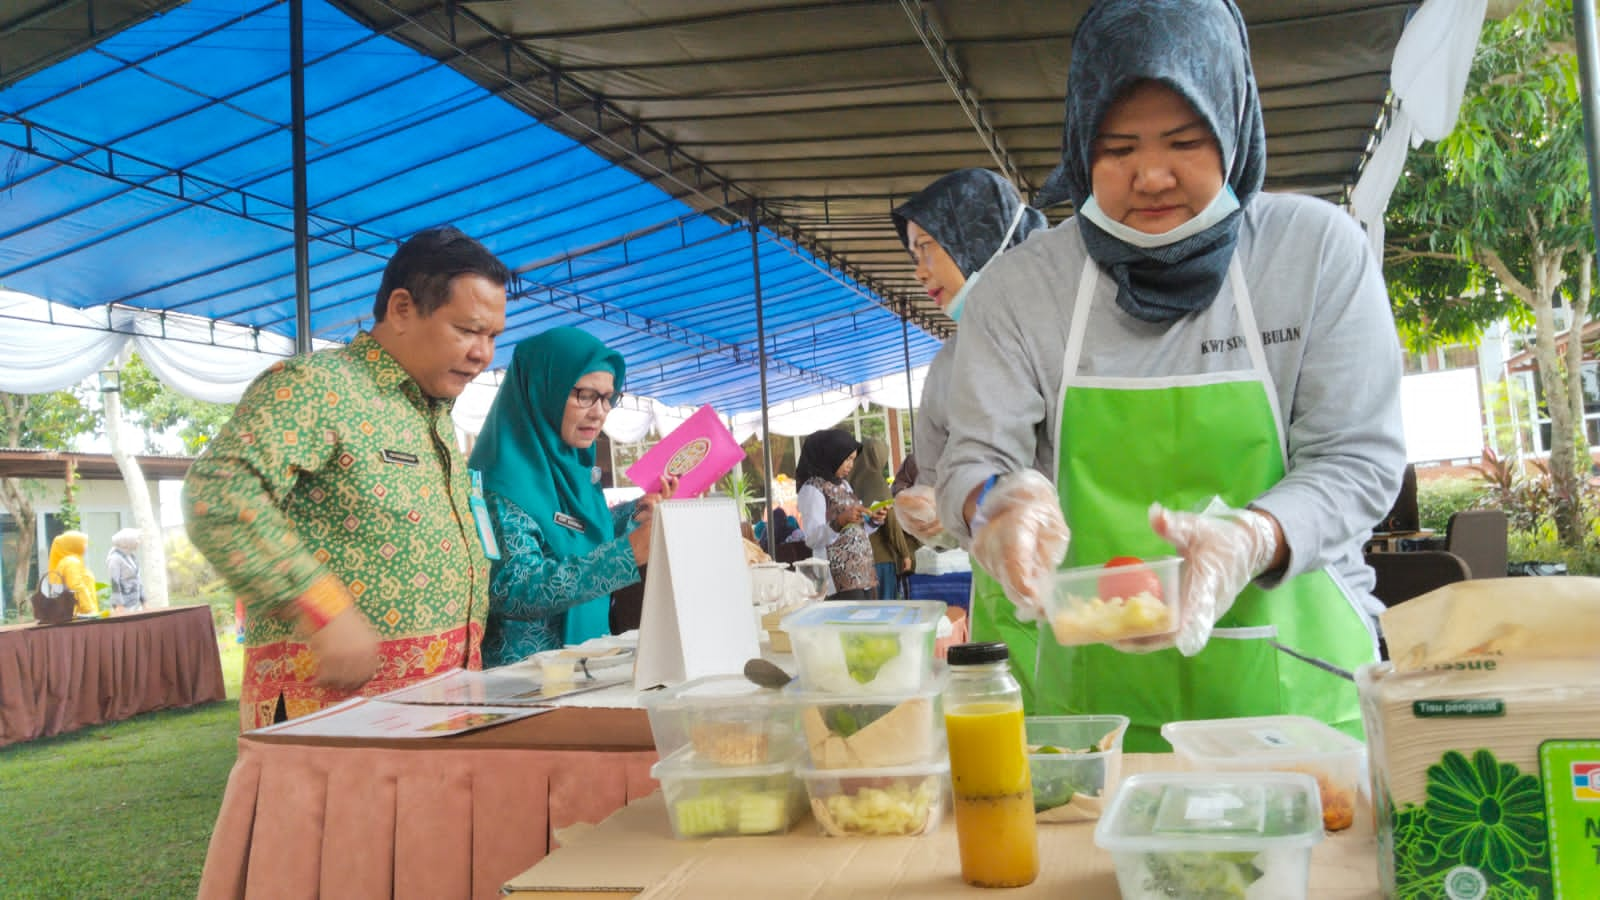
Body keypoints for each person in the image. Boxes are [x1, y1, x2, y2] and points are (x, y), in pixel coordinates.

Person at [935, 0, 1405, 751]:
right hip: (1099, 720)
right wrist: (996, 505)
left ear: (1234, 126)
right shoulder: (1023, 292)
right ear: (1080, 144)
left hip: (1302, 708)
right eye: (1117, 148)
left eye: (1185, 141)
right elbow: (972, 462)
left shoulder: (1316, 255)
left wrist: (1253, 537)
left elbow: (1358, 458)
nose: (1150, 176)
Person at [185, 225, 510, 730]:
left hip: (440, 706)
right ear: (402, 309)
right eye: (467, 330)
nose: (483, 354)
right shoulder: (319, 386)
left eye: (492, 338)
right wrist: (324, 610)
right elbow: (221, 493)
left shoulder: (433, 413)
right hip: (336, 716)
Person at [888, 167, 1046, 697]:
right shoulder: (946, 370)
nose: (920, 270)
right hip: (1005, 603)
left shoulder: (1073, 331)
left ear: (979, 234)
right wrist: (929, 511)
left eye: (929, 247)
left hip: (1102, 583)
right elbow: (938, 484)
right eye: (914, 255)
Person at [468, 327, 676, 667]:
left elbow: (573, 535)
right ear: (542, 391)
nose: (600, 412)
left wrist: (633, 516)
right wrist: (628, 553)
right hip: (524, 686)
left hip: (583, 667)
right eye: (584, 395)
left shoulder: (573, 469)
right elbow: (513, 589)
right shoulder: (500, 483)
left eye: (608, 397)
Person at [795, 429, 885, 600]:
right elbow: (813, 538)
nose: (850, 465)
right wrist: (840, 521)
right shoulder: (812, 489)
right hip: (839, 580)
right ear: (831, 455)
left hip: (863, 574)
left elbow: (856, 530)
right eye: (847, 459)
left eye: (853, 459)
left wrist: (872, 521)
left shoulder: (844, 485)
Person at [848, 437, 913, 599]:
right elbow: (890, 521)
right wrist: (905, 554)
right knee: (883, 611)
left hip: (855, 559)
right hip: (880, 559)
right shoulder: (877, 483)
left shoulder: (848, 482)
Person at [45, 531, 98, 617]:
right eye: (83, 543)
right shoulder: (71, 562)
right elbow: (76, 586)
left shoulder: (67, 561)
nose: (86, 546)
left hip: (76, 615)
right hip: (81, 616)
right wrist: (89, 610)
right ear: (74, 545)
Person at [105, 528, 144, 613]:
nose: (139, 542)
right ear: (127, 541)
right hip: (123, 606)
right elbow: (114, 582)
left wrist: (144, 601)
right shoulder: (115, 559)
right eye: (137, 539)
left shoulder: (131, 557)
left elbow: (138, 580)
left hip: (135, 602)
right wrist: (119, 605)